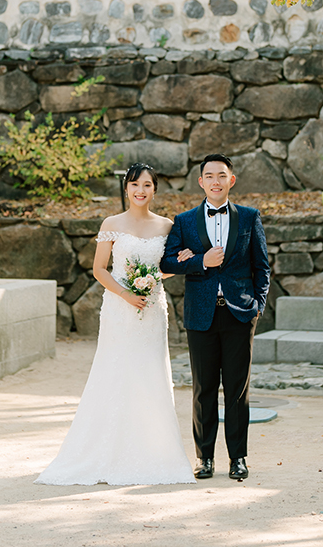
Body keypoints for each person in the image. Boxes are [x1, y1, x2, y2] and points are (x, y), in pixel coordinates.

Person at [36, 163, 196, 486]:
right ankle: (104, 452)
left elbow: (166, 266)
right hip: (119, 310)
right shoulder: (111, 223)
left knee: (150, 374)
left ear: (155, 190)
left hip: (151, 308)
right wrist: (126, 293)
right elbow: (99, 269)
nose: (141, 190)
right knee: (116, 371)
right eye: (135, 184)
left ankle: (154, 452)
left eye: (147, 185)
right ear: (126, 189)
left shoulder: (167, 226)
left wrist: (159, 274)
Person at [160, 154, 270, 482]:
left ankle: (238, 458)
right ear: (201, 182)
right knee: (204, 389)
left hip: (240, 314)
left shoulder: (250, 218)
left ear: (231, 180)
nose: (216, 181)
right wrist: (200, 260)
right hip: (202, 315)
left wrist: (258, 306)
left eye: (222, 175)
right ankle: (204, 458)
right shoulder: (184, 220)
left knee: (237, 390)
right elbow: (167, 262)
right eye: (209, 176)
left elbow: (262, 266)